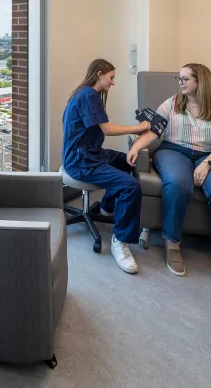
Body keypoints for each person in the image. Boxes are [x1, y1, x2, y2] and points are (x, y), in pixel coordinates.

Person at [127, 63, 211, 282]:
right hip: (173, 151)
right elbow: (153, 132)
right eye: (179, 78)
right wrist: (136, 146)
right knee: (178, 183)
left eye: (185, 79)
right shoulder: (171, 104)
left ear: (200, 82)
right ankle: (172, 242)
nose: (180, 83)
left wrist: (207, 164)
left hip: (210, 154)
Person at [62, 59, 151, 274]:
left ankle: (107, 207)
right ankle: (120, 241)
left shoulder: (85, 93)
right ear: (99, 74)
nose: (113, 83)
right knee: (130, 186)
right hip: (81, 161)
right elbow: (108, 130)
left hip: (90, 153)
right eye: (111, 77)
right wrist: (138, 127)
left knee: (126, 161)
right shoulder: (88, 95)